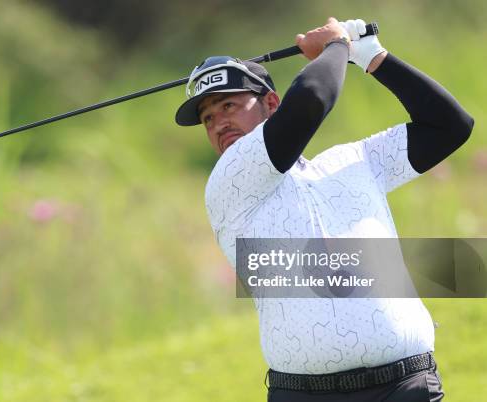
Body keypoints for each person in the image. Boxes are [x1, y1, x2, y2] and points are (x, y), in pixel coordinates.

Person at [175, 17, 474, 402]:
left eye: (229, 105)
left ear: (270, 103)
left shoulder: (354, 160)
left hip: (406, 386)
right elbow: (312, 98)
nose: (218, 124)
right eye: (207, 118)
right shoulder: (230, 181)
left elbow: (449, 126)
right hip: (306, 394)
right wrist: (337, 46)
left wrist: (373, 57)